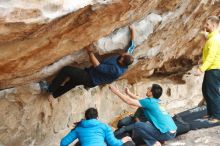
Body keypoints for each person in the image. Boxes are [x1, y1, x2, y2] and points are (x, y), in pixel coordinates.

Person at [39, 26, 135, 98]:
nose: (122, 54)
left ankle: (49, 89)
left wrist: (89, 52)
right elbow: (132, 46)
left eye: (122, 56)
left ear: (122, 61)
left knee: (67, 70)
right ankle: (56, 93)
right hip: (91, 76)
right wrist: (133, 30)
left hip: (90, 79)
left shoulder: (115, 70)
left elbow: (97, 66)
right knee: (73, 81)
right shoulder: (126, 59)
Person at [109, 84, 177, 146]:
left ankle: (154, 143)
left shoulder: (149, 102)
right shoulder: (157, 102)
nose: (147, 89)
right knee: (146, 124)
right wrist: (129, 93)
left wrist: (115, 91)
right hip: (173, 132)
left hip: (166, 133)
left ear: (151, 92)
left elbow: (128, 101)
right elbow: (140, 99)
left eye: (149, 88)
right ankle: (161, 139)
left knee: (138, 125)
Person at [60, 108, 135, 146]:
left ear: (85, 117)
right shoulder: (104, 126)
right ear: (97, 117)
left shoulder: (79, 128)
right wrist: (124, 140)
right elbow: (113, 143)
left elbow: (63, 143)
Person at [195, 16, 220, 123]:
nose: (205, 26)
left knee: (212, 92)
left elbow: (211, 57)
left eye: (207, 24)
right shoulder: (212, 37)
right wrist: (206, 35)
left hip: (214, 69)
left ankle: (217, 116)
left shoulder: (215, 40)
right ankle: (211, 113)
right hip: (211, 68)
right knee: (206, 90)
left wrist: (201, 69)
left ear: (214, 25)